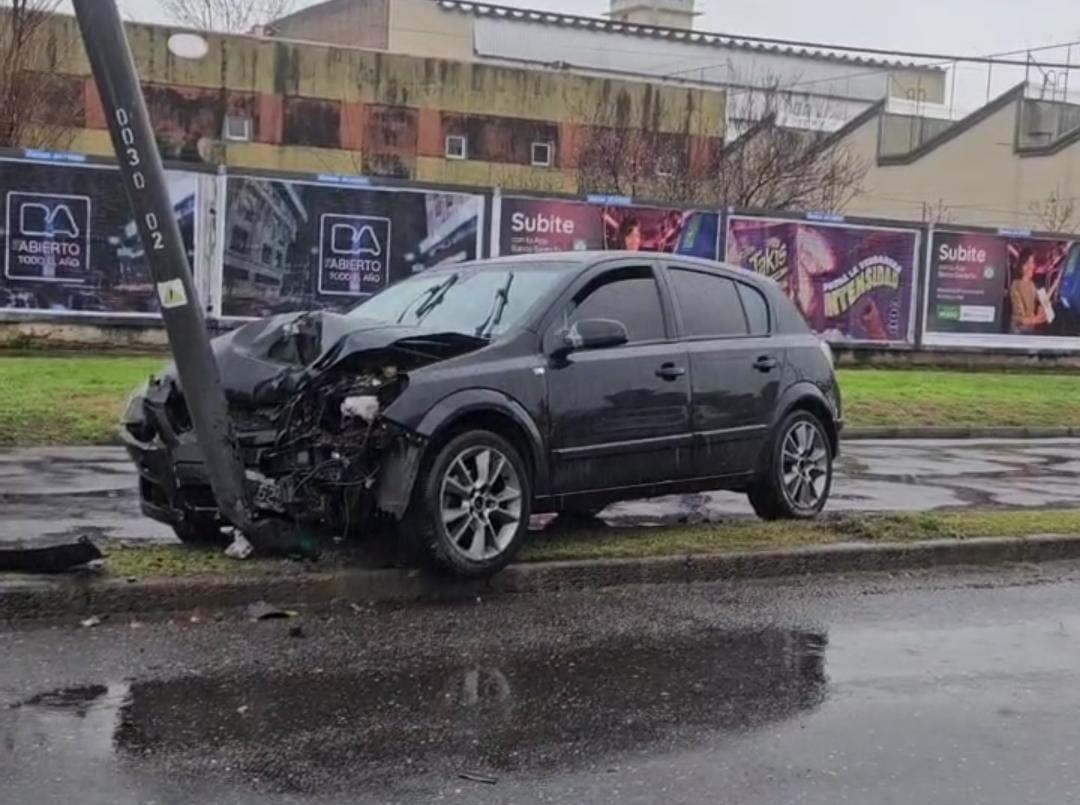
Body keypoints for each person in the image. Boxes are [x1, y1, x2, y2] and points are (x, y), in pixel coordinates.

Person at [1009, 249, 1046, 334]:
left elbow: (1044, 300)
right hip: (1018, 331)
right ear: (1020, 266)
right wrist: (1037, 318)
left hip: (1030, 329)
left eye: (1032, 263)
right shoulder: (1016, 285)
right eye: (1027, 263)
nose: (1031, 266)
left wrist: (1044, 308)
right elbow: (1020, 319)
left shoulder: (1032, 284)